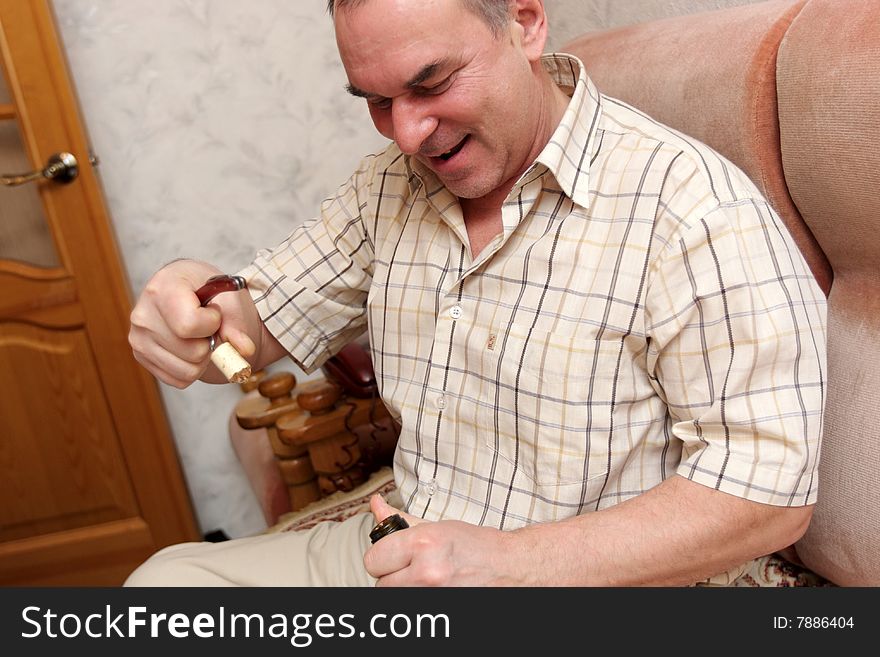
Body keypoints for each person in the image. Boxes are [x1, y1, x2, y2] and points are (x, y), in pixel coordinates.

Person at [126, 0, 827, 586]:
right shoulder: (390, 186)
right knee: (164, 585)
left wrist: (511, 564)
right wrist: (201, 298)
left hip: (579, 583)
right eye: (377, 100)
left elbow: (768, 497)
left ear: (524, 23)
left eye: (431, 84)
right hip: (408, 547)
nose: (407, 133)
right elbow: (262, 312)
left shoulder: (693, 212)